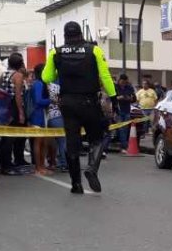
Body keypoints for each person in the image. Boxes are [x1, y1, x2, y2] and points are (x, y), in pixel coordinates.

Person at [43, 21, 117, 194]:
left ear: (65, 35)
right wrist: (113, 97)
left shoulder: (56, 52)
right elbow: (105, 76)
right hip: (89, 102)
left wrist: (57, 73)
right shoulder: (94, 50)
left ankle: (76, 184)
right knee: (97, 138)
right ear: (81, 34)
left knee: (72, 142)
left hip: (67, 103)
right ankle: (91, 168)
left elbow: (46, 77)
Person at [0, 52, 29, 176]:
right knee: (16, 135)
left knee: (6, 136)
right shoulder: (18, 76)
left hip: (4, 106)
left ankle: (5, 162)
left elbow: (0, 89)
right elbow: (18, 95)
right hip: (14, 106)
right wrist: (21, 112)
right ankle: (11, 163)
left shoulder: (4, 74)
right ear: (20, 64)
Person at [29, 62, 52, 176]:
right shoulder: (38, 84)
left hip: (43, 115)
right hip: (38, 115)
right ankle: (38, 167)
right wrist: (51, 101)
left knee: (44, 143)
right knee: (38, 142)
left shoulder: (41, 83)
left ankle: (42, 165)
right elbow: (38, 101)